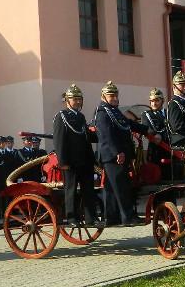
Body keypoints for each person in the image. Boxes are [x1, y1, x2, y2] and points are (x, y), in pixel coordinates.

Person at [95, 80, 151, 226]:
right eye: (111, 96)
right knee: (121, 187)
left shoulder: (114, 111)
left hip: (120, 155)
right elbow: (106, 136)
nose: (115, 98)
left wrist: (147, 129)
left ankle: (112, 218)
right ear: (103, 96)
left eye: (116, 95)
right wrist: (117, 152)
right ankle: (128, 217)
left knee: (111, 188)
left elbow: (128, 123)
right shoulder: (102, 113)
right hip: (113, 156)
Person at [53, 84, 98, 226]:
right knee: (71, 190)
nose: (78, 102)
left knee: (88, 190)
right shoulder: (61, 116)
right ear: (68, 100)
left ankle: (91, 218)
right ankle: (71, 218)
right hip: (71, 162)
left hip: (85, 160)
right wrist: (63, 161)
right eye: (75, 99)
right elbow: (59, 140)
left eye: (80, 99)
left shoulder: (81, 117)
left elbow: (86, 138)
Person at [141, 87, 170, 165]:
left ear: (162, 101)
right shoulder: (146, 114)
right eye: (152, 101)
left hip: (170, 151)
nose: (154, 104)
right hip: (155, 152)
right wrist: (155, 134)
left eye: (157, 100)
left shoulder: (169, 113)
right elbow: (147, 128)